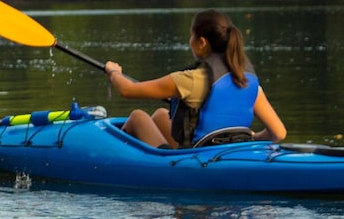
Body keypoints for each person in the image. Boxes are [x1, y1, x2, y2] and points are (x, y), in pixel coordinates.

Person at [103, 10, 286, 149]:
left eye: (191, 36)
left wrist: (114, 72)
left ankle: (122, 163)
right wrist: (250, 139)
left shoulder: (191, 79)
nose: (190, 41)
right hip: (229, 152)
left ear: (202, 42)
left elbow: (127, 90)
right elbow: (278, 133)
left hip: (198, 158)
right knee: (160, 114)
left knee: (138, 117)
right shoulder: (248, 80)